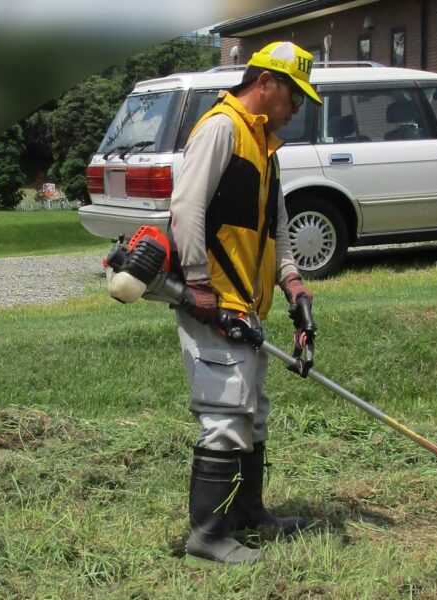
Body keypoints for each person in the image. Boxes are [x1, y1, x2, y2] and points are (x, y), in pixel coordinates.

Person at [169, 41, 322, 565]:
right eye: (294, 97)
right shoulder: (221, 129)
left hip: (247, 306)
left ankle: (248, 512)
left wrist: (294, 286)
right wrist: (198, 286)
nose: (297, 109)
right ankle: (207, 536)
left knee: (251, 412)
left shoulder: (264, 145)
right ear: (267, 84)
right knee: (224, 411)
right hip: (214, 299)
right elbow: (185, 208)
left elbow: (274, 228)